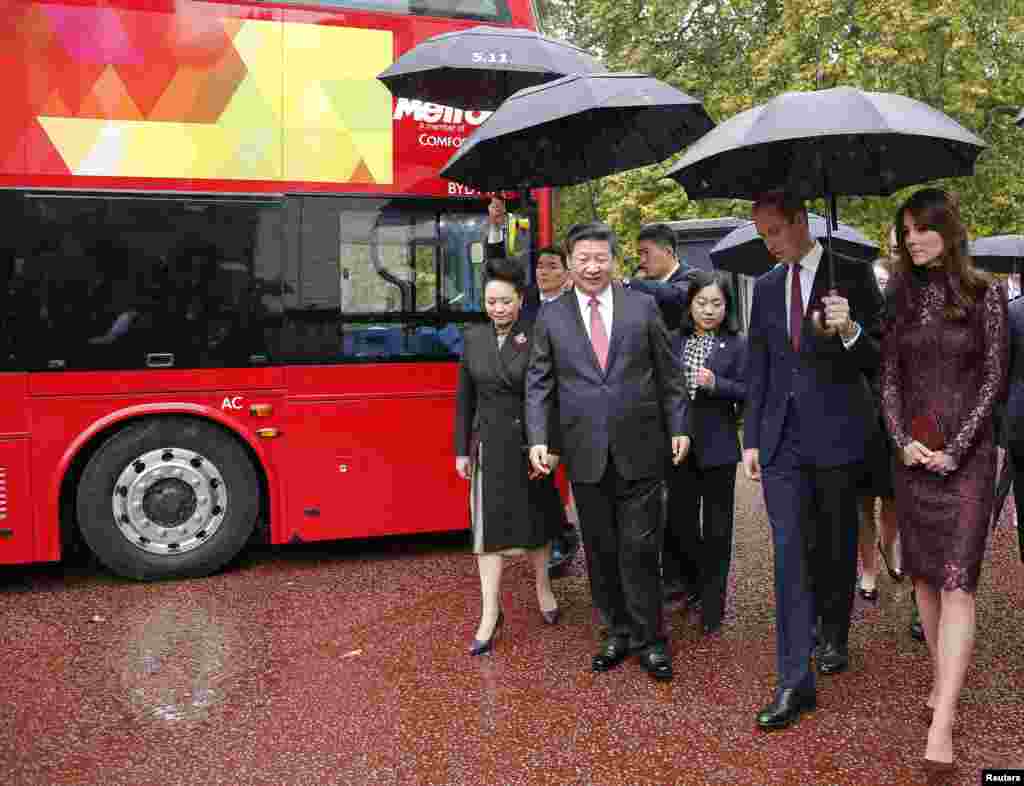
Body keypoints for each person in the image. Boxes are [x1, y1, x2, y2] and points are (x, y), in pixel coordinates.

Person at [744, 190, 884, 730]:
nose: (770, 244)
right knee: (788, 555)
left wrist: (850, 330)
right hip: (782, 442)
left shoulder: (852, 274)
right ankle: (792, 681)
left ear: (801, 221)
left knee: (834, 544)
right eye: (762, 235)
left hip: (839, 433)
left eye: (775, 232)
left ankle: (835, 633)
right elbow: (761, 364)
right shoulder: (766, 285)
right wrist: (752, 438)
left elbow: (879, 357)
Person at [879, 188, 1007, 776]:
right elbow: (890, 379)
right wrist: (902, 439)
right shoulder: (898, 293)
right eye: (905, 231)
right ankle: (940, 678)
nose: (912, 240)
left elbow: (993, 382)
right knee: (925, 581)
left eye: (921, 229)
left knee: (958, 583)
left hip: (969, 463)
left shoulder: (987, 294)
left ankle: (944, 718)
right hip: (912, 460)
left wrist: (954, 450)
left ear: (948, 230)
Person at [526, 222, 689, 681]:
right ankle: (616, 630)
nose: (593, 267)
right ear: (571, 263)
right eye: (584, 260)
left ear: (614, 260)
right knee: (601, 549)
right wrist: (540, 438)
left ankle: (651, 639)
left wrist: (679, 425)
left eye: (601, 259)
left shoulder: (643, 306)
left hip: (642, 445)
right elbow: (539, 382)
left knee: (640, 547)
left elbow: (669, 373)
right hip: (584, 450)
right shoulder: (551, 317)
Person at [454, 256, 565, 656]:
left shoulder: (537, 336)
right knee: (486, 532)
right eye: (490, 301)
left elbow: (551, 398)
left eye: (505, 301)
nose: (497, 309)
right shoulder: (472, 338)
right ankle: (489, 611)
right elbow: (464, 399)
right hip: (489, 447)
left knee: (536, 524)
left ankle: (543, 587)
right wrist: (460, 450)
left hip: (529, 446)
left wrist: (552, 449)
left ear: (520, 300)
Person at [666, 269, 747, 634]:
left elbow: (748, 391)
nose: (709, 310)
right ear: (690, 304)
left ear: (726, 307)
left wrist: (718, 384)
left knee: (718, 529)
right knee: (681, 523)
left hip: (718, 446)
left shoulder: (737, 343)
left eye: (717, 303)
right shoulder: (673, 341)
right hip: (679, 446)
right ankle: (696, 581)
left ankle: (713, 604)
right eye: (702, 302)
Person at [855, 257, 902, 602]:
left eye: (884, 280)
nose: (879, 285)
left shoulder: (902, 318)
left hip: (896, 421)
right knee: (862, 503)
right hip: (860, 420)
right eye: (874, 281)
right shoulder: (852, 322)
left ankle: (891, 549)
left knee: (892, 499)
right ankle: (868, 568)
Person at [622, 222, 698, 335]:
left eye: (646, 253)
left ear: (668, 251)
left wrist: (628, 283)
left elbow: (674, 295)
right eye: (640, 254)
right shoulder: (643, 280)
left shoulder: (693, 277)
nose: (642, 260)